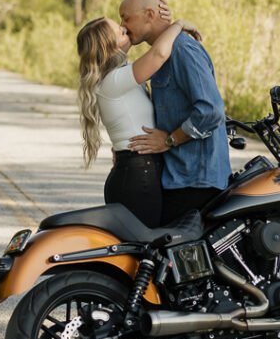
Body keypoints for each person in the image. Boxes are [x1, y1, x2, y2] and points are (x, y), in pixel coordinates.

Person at [76, 13, 200, 227]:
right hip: (137, 175)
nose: (126, 28)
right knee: (144, 251)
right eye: (120, 31)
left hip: (135, 171)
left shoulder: (118, 77)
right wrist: (178, 24)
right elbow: (158, 54)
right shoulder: (114, 80)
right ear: (108, 46)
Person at [120, 0, 231, 224]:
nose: (123, 24)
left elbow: (211, 111)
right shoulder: (162, 53)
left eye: (126, 17)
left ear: (150, 14)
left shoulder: (182, 50)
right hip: (178, 176)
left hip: (195, 179)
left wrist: (170, 140)